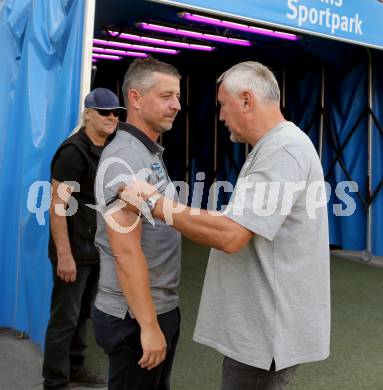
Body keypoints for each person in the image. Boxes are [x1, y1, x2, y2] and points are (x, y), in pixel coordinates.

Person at [119, 61, 331, 390]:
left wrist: (154, 205)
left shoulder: (283, 150)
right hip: (263, 331)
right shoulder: (275, 147)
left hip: (266, 337)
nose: (219, 115)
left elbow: (232, 235)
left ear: (246, 100)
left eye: (222, 105)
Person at [92, 57, 182, 390]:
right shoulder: (126, 156)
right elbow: (126, 252)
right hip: (134, 317)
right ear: (135, 98)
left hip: (155, 307)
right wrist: (148, 325)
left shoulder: (147, 151)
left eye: (177, 96)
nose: (176, 105)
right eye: (166, 96)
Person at [43, 87, 125, 390]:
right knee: (65, 317)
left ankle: (75, 367)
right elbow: (57, 208)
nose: (111, 117)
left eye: (116, 112)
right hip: (73, 250)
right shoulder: (72, 152)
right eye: (104, 112)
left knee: (83, 315)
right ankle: (54, 380)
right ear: (88, 114)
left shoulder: (109, 148)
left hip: (96, 249)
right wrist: (64, 256)